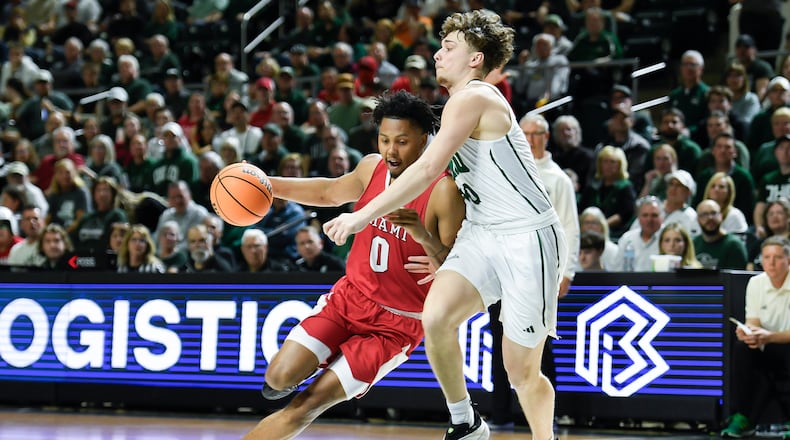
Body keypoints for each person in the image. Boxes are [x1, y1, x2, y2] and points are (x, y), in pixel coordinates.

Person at [321, 11, 566, 440]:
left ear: (475, 59)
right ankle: (465, 422)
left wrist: (360, 216)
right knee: (435, 316)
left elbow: (429, 166)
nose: (437, 53)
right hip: (483, 232)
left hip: (528, 236)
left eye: (449, 46)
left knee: (520, 370)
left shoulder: (476, 97)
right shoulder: (456, 105)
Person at [242, 90, 465, 440]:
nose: (392, 150)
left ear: (425, 140)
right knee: (277, 377)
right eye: (385, 139)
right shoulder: (372, 167)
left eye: (403, 141)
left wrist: (423, 236)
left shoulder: (444, 191)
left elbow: (456, 268)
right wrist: (267, 185)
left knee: (307, 404)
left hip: (395, 326)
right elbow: (329, 192)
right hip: (349, 300)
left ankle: (329, 376)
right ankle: (315, 365)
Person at [721, 236, 790, 438]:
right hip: (766, 344)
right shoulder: (756, 283)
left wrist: (769, 337)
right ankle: (741, 417)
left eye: (777, 257)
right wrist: (748, 333)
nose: (771, 262)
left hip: (785, 344)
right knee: (741, 348)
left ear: (788, 260)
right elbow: (753, 322)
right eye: (767, 257)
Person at [693, 199, 748, 270]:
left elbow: (736, 279)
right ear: (698, 219)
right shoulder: (693, 244)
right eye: (704, 214)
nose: (710, 218)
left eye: (714, 213)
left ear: (721, 216)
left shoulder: (734, 245)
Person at [614, 195, 664, 271]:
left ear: (661, 217)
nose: (649, 219)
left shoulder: (669, 238)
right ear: (638, 217)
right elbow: (617, 269)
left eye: (654, 215)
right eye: (645, 215)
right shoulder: (627, 239)